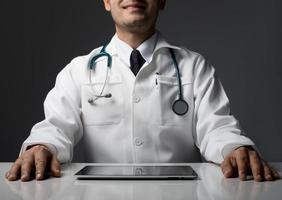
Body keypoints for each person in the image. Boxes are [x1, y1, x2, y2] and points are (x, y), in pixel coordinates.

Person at [6, 0, 279, 182]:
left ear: (161, 1)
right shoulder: (79, 70)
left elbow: (216, 127)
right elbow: (56, 126)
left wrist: (235, 147)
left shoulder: (193, 66)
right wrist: (41, 146)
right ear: (106, 2)